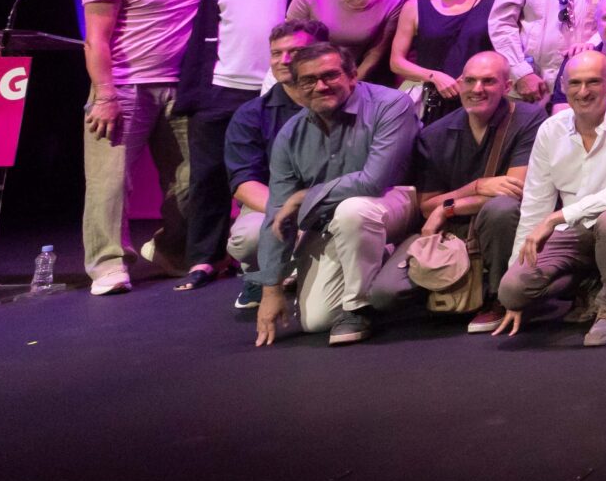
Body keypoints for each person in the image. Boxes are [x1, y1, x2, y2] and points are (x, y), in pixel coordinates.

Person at [80, 0, 213, 293]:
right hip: (122, 89)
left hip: (182, 88)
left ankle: (171, 251)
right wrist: (105, 95)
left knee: (189, 179)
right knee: (109, 182)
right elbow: (96, 42)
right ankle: (108, 264)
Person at [173, 0, 302, 291]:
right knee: (207, 177)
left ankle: (280, 256)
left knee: (281, 172)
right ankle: (205, 259)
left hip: (280, 89)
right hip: (220, 87)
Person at [249, 43, 419, 346]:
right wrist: (271, 289)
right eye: (308, 80)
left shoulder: (390, 105)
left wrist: (304, 197)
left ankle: (357, 308)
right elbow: (277, 216)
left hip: (397, 203)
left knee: (353, 210)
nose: (320, 86)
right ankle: (374, 258)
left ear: (352, 76)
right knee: (316, 321)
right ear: (296, 87)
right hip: (334, 220)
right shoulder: (290, 135)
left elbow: (374, 182)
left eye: (330, 75)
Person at [495, 50, 606, 346]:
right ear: (563, 86)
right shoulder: (551, 129)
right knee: (512, 291)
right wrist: (516, 274)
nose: (583, 92)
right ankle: (589, 281)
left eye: (593, 82)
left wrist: (558, 217)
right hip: (576, 232)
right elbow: (535, 207)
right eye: (575, 83)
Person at [364, 51, 541, 329]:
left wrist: (449, 207)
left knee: (501, 208)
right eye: (470, 81)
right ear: (459, 83)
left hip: (500, 225)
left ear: (507, 86)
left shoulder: (528, 118)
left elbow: (513, 190)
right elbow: (426, 206)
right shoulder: (435, 133)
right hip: (451, 231)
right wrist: (477, 187)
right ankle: (455, 284)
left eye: (488, 81)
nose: (477, 89)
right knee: (384, 294)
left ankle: (499, 297)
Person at [221, 21, 320, 310]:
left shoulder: (343, 101)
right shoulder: (252, 115)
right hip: (273, 202)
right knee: (247, 238)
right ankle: (261, 273)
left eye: (295, 51)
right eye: (276, 53)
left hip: (332, 199)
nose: (283, 60)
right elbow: (243, 182)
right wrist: (291, 212)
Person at [389, 0, 500, 117]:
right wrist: (434, 76)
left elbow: (505, 53)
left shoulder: (495, 2)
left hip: (479, 97)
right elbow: (396, 62)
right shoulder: (414, 6)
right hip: (430, 99)